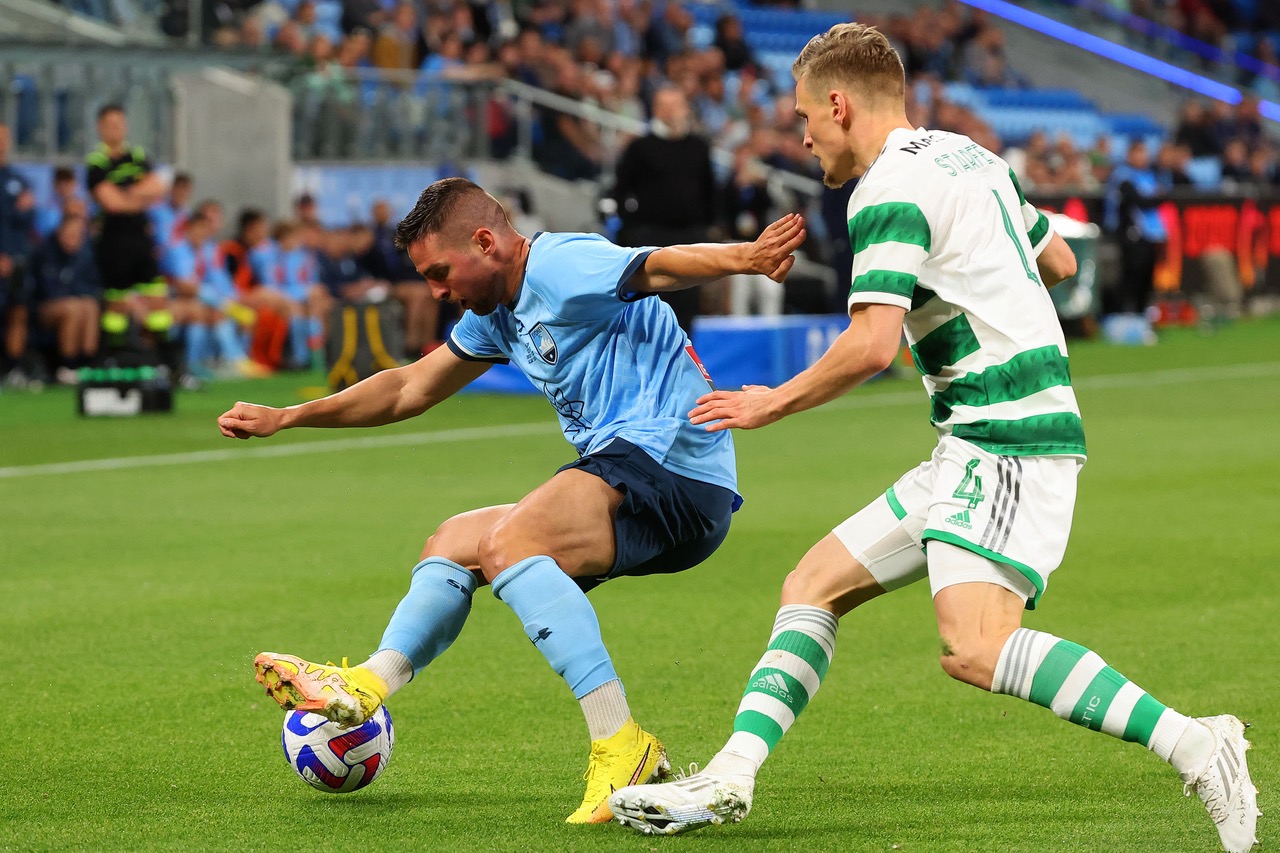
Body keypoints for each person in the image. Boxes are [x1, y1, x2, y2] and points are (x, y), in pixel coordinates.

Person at [608, 23, 1259, 853]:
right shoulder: (968, 155)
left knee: (975, 646)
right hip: (973, 438)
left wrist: (772, 403)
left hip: (1006, 439)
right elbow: (1061, 263)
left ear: (839, 104)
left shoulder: (885, 190)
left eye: (804, 116)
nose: (802, 136)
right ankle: (731, 774)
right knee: (813, 583)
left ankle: (1199, 744)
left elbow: (872, 345)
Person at [217, 176, 804, 824]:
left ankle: (621, 743)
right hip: (635, 472)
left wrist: (747, 256)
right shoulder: (496, 314)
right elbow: (409, 388)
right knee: (454, 542)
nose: (437, 292)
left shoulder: (559, 265)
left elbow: (655, 266)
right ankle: (369, 683)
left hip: (674, 463)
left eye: (440, 273)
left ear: (485, 242)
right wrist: (289, 416)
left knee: (510, 542)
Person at [611, 85, 719, 336]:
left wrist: (708, 228)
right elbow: (621, 190)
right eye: (665, 106)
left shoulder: (699, 147)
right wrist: (633, 227)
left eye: (676, 106)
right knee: (651, 305)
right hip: (651, 240)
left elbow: (710, 190)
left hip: (690, 238)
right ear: (656, 109)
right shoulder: (640, 147)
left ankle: (684, 354)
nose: (672, 112)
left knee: (687, 304)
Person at [85, 104, 170, 359]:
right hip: (114, 241)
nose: (117, 129)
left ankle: (164, 358)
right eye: (111, 125)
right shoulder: (96, 162)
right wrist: (139, 194)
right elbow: (111, 203)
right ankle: (114, 356)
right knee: (117, 302)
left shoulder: (138, 156)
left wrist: (126, 194)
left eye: (120, 124)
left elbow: (158, 188)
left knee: (157, 297)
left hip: (140, 237)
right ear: (101, 128)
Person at [29, 212, 101, 384]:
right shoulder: (45, 251)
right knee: (73, 307)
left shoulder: (85, 254)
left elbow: (92, 286)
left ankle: (87, 362)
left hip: (75, 302)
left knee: (90, 305)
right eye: (69, 235)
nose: (73, 240)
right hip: (44, 308)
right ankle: (67, 365)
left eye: (77, 236)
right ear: (60, 231)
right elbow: (46, 289)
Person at [0, 122, 36, 387]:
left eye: (4, 137)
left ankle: (14, 368)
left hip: (18, 259)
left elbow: (28, 214)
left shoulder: (19, 179)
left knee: (18, 312)